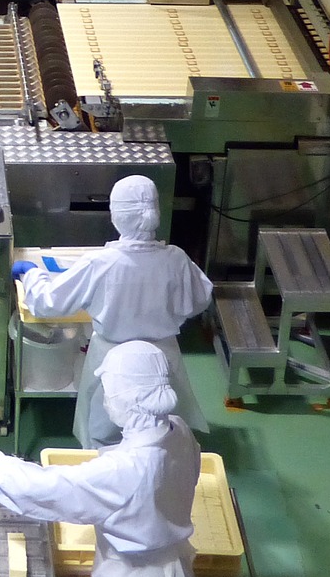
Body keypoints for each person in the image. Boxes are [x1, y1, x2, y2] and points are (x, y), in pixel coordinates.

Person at [0, 341, 200, 577]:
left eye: (109, 392)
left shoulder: (127, 470)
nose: (106, 400)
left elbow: (45, 487)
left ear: (128, 398)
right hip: (173, 576)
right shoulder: (178, 430)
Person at [15, 175, 213, 444]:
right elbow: (200, 299)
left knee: (104, 435)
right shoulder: (176, 259)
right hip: (162, 358)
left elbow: (47, 303)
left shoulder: (101, 263)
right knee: (158, 433)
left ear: (116, 215)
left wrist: (31, 274)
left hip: (112, 361)